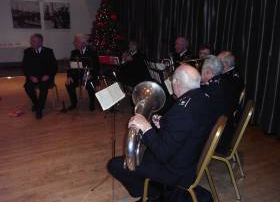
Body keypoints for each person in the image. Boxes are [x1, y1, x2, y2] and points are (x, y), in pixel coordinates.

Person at [107, 64, 217, 202]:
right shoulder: (202, 98)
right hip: (187, 156)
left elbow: (163, 154)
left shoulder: (182, 111)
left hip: (175, 171)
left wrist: (146, 127)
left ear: (176, 83)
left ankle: (152, 192)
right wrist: (164, 124)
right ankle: (154, 186)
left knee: (115, 165)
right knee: (144, 152)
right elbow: (185, 129)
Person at [22, 33, 57, 119]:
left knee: (43, 87)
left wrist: (48, 75)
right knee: (28, 87)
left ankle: (39, 109)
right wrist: (30, 76)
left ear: (40, 42)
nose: (31, 43)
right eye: (32, 41)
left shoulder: (49, 51)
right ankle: (37, 104)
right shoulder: (27, 51)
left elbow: (54, 66)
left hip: (46, 76)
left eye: (34, 41)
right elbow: (25, 67)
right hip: (33, 76)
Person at [216, 51, 245, 154]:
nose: (215, 64)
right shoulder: (227, 74)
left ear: (225, 65)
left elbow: (225, 101)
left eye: (217, 62)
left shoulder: (234, 78)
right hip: (224, 113)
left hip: (224, 122)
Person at [65, 34, 99, 111]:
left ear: (83, 43)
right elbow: (71, 67)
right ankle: (74, 103)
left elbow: (97, 67)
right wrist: (69, 77)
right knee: (68, 83)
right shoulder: (74, 52)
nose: (74, 43)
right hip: (77, 76)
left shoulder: (92, 52)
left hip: (89, 76)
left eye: (76, 41)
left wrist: (91, 75)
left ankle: (92, 103)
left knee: (90, 84)